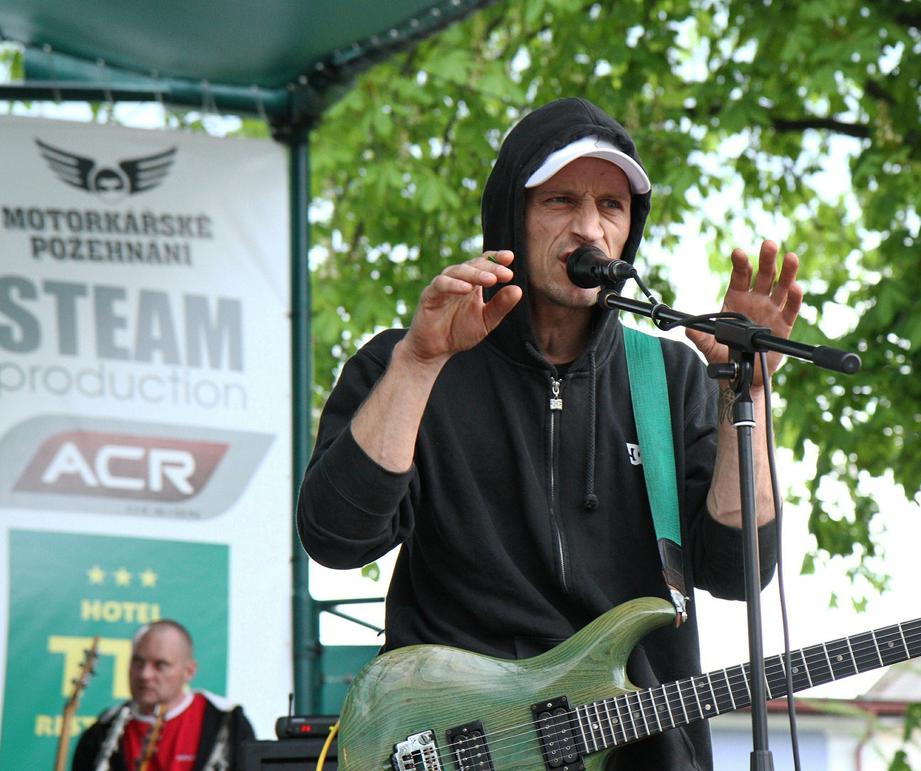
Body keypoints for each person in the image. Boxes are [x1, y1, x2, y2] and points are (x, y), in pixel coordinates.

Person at [297, 96, 802, 769]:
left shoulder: (669, 376)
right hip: (459, 747)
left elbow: (739, 572)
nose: (589, 228)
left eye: (611, 206)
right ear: (513, 215)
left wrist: (749, 391)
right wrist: (417, 364)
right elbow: (336, 538)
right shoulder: (411, 360)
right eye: (561, 201)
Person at [72, 620, 254, 771]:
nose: (145, 675)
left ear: (189, 671)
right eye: (138, 662)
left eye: (160, 665)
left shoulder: (228, 723)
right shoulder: (102, 731)